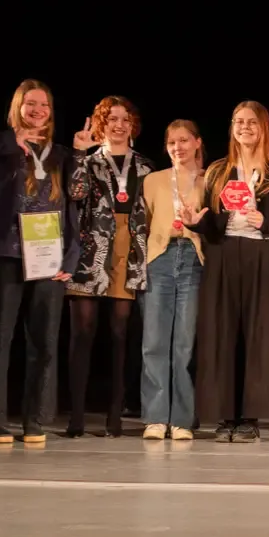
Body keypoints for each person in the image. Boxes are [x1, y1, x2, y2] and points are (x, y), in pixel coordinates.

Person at [0, 80, 82, 445]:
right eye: (30, 104)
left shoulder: (61, 155)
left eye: (44, 105)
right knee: (0, 337)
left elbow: (75, 206)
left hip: (49, 258)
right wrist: (10, 141)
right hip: (6, 253)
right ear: (17, 108)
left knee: (45, 342)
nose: (37, 110)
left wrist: (71, 256)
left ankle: (36, 419)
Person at [178, 102, 269, 442]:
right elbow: (210, 223)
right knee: (221, 334)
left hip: (261, 253)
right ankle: (225, 417)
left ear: (264, 127)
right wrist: (195, 222)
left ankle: (250, 418)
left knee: (257, 335)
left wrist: (268, 222)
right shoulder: (219, 170)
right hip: (222, 254)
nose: (244, 127)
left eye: (251, 122)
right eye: (238, 122)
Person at [65, 97, 154, 437]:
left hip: (129, 251)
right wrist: (78, 154)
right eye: (112, 119)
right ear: (101, 124)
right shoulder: (88, 162)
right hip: (91, 250)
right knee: (82, 333)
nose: (119, 125)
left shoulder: (146, 166)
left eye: (125, 119)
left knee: (120, 335)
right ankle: (76, 416)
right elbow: (75, 193)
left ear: (133, 126)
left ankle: (115, 415)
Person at [140, 120, 208, 441]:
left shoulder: (210, 180)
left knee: (185, 343)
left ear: (197, 143)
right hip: (160, 258)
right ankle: (156, 417)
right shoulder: (152, 180)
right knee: (154, 341)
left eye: (184, 140)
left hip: (193, 259)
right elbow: (144, 223)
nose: (177, 147)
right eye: (171, 142)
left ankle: (182, 418)